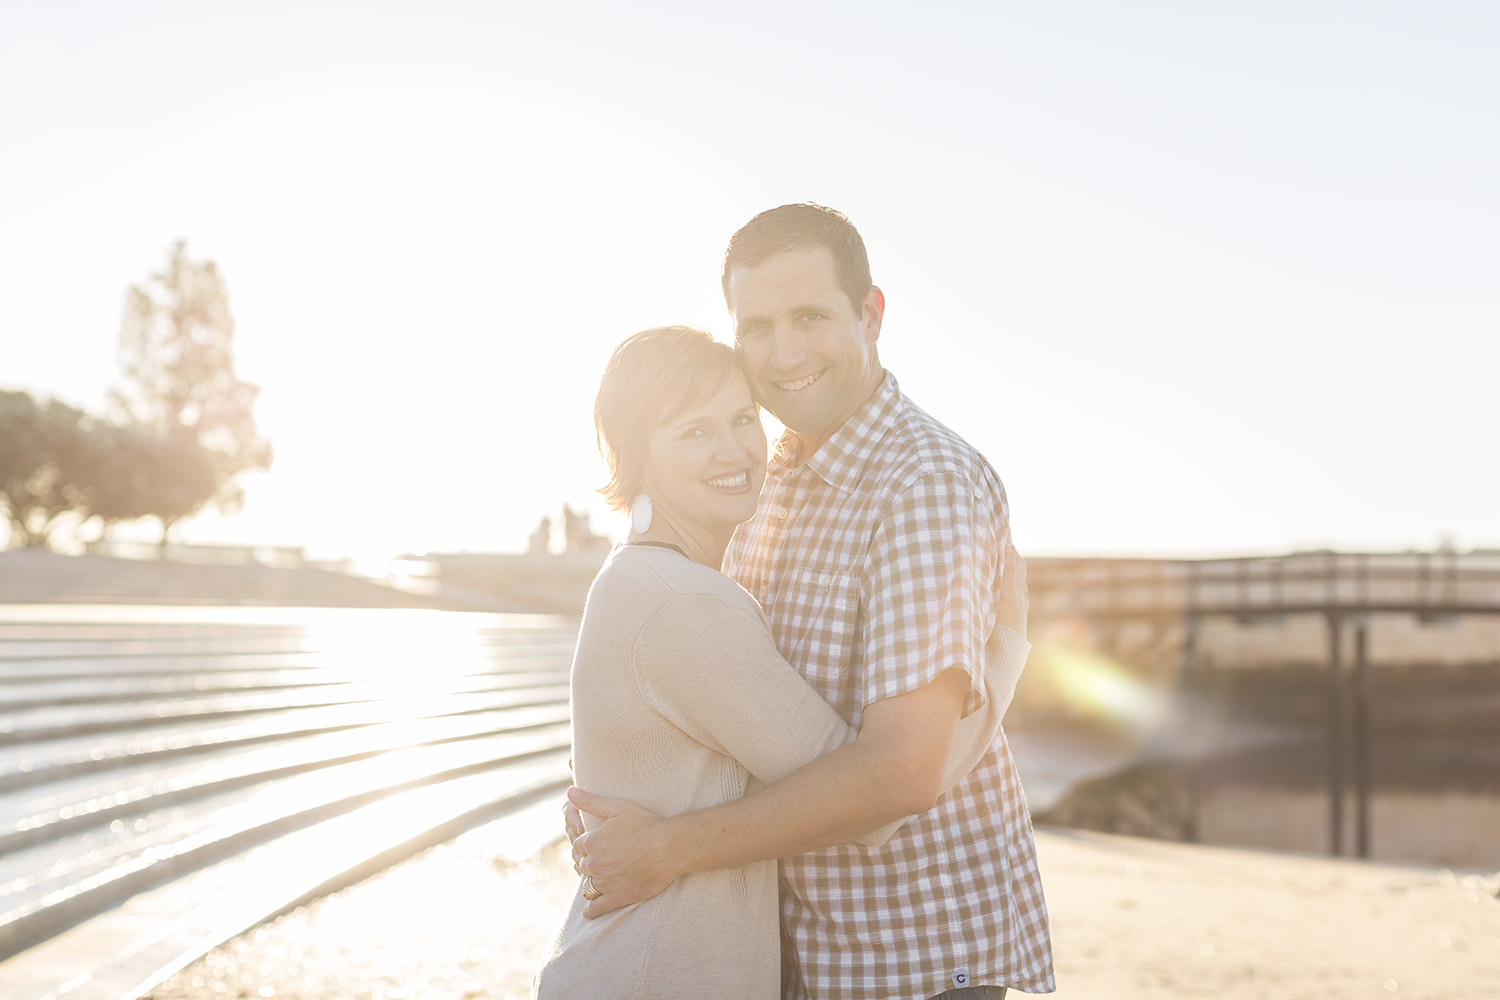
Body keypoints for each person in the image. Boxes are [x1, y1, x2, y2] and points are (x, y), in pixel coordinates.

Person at [566, 205, 1055, 999]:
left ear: (871, 313)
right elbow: (712, 703)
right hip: (797, 955)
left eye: (811, 316)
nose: (784, 352)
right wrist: (617, 794)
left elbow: (901, 778)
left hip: (910, 959)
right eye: (756, 325)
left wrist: (668, 846)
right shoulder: (763, 484)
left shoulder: (921, 485)